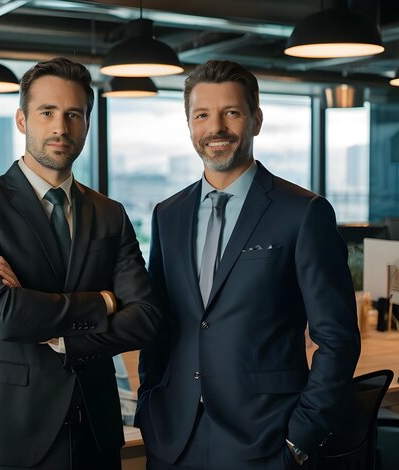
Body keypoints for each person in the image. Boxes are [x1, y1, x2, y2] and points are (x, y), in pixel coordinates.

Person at [135, 60, 361, 470]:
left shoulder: (303, 213)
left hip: (266, 440)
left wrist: (301, 436)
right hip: (173, 437)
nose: (215, 127)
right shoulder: (167, 214)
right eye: (202, 115)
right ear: (189, 125)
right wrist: (150, 405)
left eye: (231, 113)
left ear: (256, 120)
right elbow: (160, 327)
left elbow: (338, 338)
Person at [0, 57, 161, 470]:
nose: (61, 127)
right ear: (22, 120)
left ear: (85, 124)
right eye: (47, 112)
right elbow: (4, 316)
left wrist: (57, 330)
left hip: (93, 429)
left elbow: (147, 318)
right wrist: (103, 302)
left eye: (73, 115)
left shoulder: (110, 213)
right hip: (9, 430)